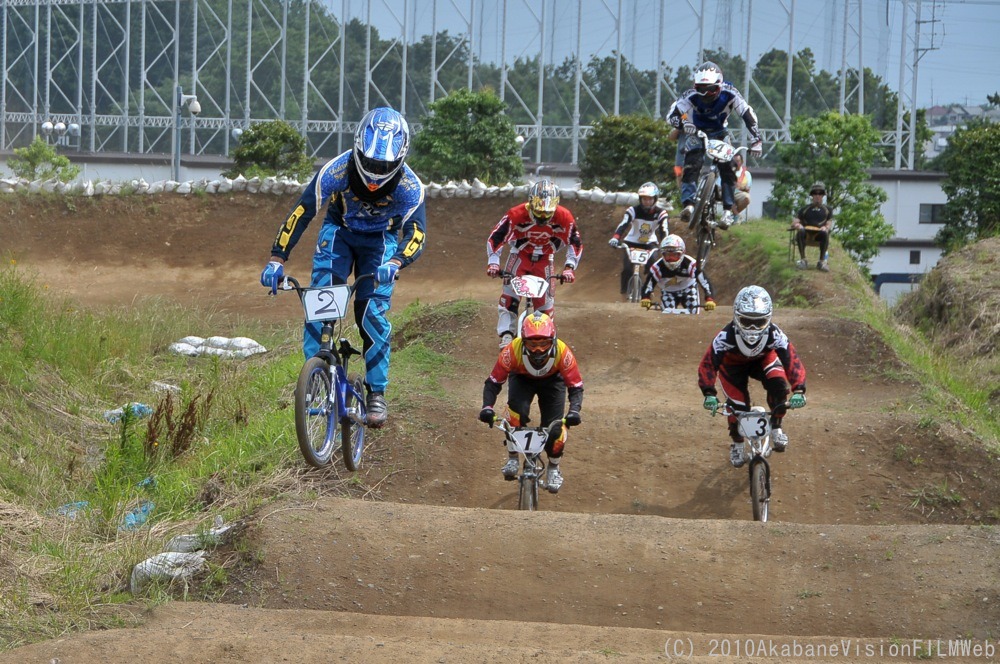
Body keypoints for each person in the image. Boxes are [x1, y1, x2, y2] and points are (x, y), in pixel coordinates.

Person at [259, 107, 426, 429]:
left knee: (371, 314)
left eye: (385, 166)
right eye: (371, 163)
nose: (376, 173)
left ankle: (376, 391)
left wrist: (397, 261)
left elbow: (417, 232)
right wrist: (276, 258)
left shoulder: (410, 187)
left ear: (400, 160)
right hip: (338, 235)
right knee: (320, 301)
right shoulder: (336, 170)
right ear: (357, 150)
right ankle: (315, 374)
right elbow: (301, 212)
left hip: (380, 243)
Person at [697, 285, 807, 468]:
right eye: (747, 322)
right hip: (732, 366)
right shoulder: (725, 336)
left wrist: (799, 390)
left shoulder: (775, 334)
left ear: (769, 318)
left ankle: (776, 427)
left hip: (764, 360)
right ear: (736, 317)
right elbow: (708, 364)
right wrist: (709, 393)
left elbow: (792, 361)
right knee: (736, 406)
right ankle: (738, 443)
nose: (753, 328)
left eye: (759, 322)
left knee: (779, 386)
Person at [478, 311, 584, 493]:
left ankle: (553, 467)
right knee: (515, 413)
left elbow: (576, 386)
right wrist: (487, 407)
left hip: (553, 381)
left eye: (543, 343)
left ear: (552, 340)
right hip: (521, 378)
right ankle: (513, 456)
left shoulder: (563, 352)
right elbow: (493, 382)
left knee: (556, 427)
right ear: (523, 340)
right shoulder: (512, 350)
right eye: (532, 344)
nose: (538, 350)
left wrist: (574, 411)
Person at [486, 179, 583, 347]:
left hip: (546, 259)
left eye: (547, 213)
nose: (543, 217)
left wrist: (569, 268)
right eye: (539, 212)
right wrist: (494, 263)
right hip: (520, 255)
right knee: (510, 295)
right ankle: (507, 335)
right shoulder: (515, 214)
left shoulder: (564, 216)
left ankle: (546, 337)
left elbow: (576, 243)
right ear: (530, 204)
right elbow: (496, 237)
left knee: (545, 304)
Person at [667, 61, 762, 230]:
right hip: (697, 131)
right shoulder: (690, 95)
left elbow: (747, 114)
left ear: (719, 84)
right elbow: (671, 115)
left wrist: (757, 139)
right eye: (701, 88)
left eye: (710, 88)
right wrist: (683, 124)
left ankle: (727, 211)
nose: (705, 93)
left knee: (728, 166)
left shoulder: (730, 93)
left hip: (720, 132)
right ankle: (688, 204)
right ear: (695, 86)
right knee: (692, 161)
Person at [608, 181, 669, 296]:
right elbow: (623, 224)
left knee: (653, 266)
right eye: (644, 199)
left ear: (655, 199)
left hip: (650, 243)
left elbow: (664, 229)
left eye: (650, 199)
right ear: (640, 199)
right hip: (631, 242)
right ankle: (624, 292)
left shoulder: (661, 213)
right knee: (627, 269)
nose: (647, 202)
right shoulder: (633, 210)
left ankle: (649, 289)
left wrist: (665, 244)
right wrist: (616, 238)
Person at [640, 234, 716, 314]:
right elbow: (648, 284)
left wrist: (709, 299)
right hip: (668, 291)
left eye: (674, 255)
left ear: (682, 253)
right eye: (667, 255)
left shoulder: (691, 264)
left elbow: (705, 282)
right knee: (667, 315)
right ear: (662, 255)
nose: (671, 259)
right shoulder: (657, 267)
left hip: (689, 289)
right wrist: (646, 297)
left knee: (693, 314)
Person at [792, 182, 833, 271]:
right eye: (815, 193)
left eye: (820, 193)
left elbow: (829, 222)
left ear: (823, 195)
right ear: (812, 195)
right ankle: (803, 260)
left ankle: (821, 262)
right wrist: (797, 225)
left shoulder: (828, 210)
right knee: (800, 232)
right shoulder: (804, 209)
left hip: (819, 234)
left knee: (825, 234)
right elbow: (795, 221)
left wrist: (826, 228)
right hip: (806, 233)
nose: (817, 196)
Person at [731, 152, 752, 220]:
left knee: (747, 198)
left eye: (737, 161)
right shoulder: (727, 171)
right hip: (728, 192)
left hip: (739, 193)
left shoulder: (746, 173)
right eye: (734, 161)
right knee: (728, 195)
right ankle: (736, 215)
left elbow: (748, 189)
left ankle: (733, 215)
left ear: (741, 162)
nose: (735, 163)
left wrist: (740, 187)